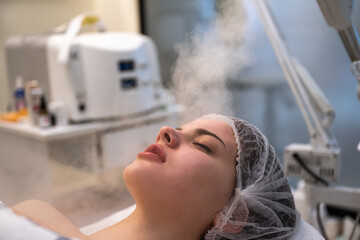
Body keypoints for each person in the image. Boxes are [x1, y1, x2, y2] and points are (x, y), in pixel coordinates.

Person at [9, 114, 298, 240]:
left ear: (232, 217)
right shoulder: (37, 214)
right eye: (179, 129)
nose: (166, 130)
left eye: (202, 145)